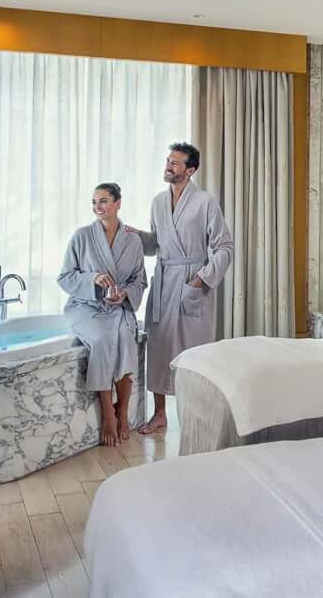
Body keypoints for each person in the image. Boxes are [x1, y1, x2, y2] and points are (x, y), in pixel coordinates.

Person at [134, 143, 233, 434]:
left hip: (191, 281)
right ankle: (159, 415)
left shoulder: (204, 202)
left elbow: (225, 246)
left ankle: (197, 416)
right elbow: (156, 245)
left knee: (194, 351)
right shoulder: (158, 202)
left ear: (190, 170)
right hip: (165, 281)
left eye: (175, 163)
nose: (168, 166)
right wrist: (134, 236)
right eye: (168, 161)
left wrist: (202, 278)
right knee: (159, 347)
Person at [58, 183, 146, 446]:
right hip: (86, 307)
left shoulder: (133, 240)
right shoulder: (82, 236)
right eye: (94, 202)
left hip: (118, 307)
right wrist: (93, 279)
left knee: (127, 339)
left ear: (118, 203)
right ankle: (108, 411)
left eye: (104, 201)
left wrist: (125, 294)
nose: (98, 207)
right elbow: (65, 277)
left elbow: (139, 280)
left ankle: (123, 410)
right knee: (101, 340)